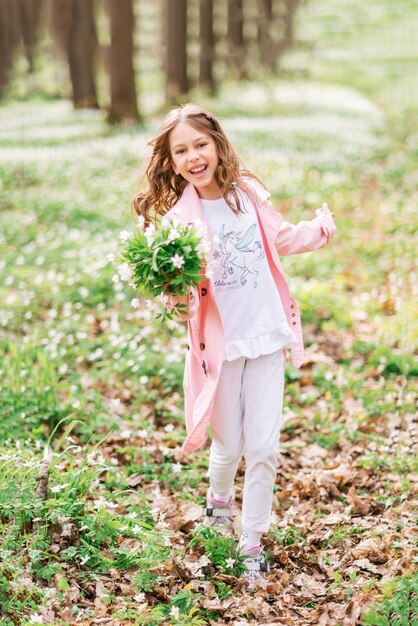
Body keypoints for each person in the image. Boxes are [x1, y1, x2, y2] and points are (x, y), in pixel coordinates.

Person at [132, 103, 337, 591]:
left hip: (265, 334)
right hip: (218, 351)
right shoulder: (178, 218)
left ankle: (252, 542)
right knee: (229, 445)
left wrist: (321, 230)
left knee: (263, 447)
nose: (193, 156)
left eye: (199, 144)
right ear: (172, 161)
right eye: (180, 150)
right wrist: (172, 301)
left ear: (217, 144)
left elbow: (280, 238)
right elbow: (170, 281)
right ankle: (218, 501)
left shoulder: (247, 196)